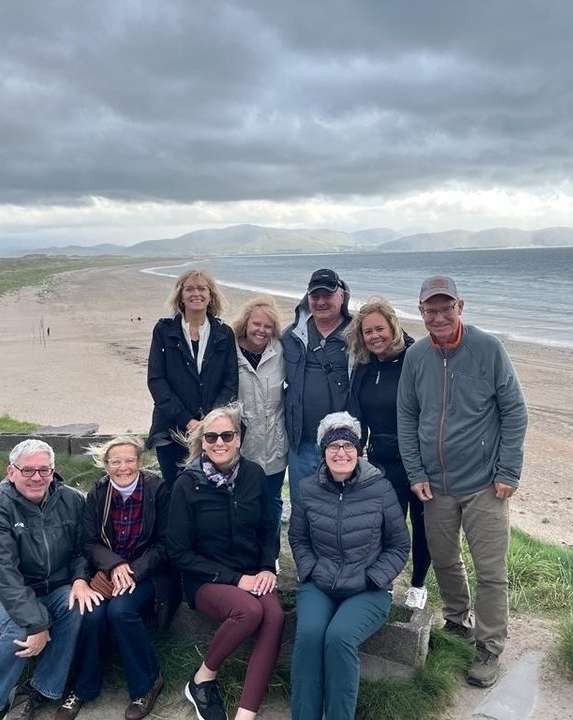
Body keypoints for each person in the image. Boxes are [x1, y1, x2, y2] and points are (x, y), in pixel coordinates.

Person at [397, 275, 529, 688]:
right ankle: (457, 621)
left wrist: (508, 471)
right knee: (445, 559)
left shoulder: (488, 349)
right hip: (434, 486)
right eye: (430, 309)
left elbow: (514, 412)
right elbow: (407, 416)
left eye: (446, 307)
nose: (438, 316)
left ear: (461, 307)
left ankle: (489, 646)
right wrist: (416, 472)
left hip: (485, 484)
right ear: (420, 313)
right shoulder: (416, 356)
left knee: (491, 571)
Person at [0, 440, 100, 720]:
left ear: (53, 470)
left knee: (77, 606)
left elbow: (82, 550)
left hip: (55, 586)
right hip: (2, 593)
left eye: (44, 470)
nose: (37, 477)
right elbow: (4, 574)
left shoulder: (71, 500)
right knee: (21, 629)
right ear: (12, 472)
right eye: (28, 470)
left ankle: (37, 689)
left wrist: (81, 579)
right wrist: (37, 622)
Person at [288, 412, 410, 720]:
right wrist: (312, 571)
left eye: (348, 445)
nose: (341, 453)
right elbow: (298, 539)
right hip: (320, 584)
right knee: (310, 635)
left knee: (340, 637)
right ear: (323, 451)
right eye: (333, 446)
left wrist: (373, 578)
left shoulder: (380, 490)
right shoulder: (306, 489)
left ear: (359, 450)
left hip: (367, 588)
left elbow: (399, 545)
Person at [167, 403, 283, 720]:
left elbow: (266, 528)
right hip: (206, 579)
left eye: (227, 435)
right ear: (202, 442)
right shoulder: (187, 485)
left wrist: (265, 567)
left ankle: (246, 714)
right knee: (249, 610)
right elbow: (178, 552)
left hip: (251, 572)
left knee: (274, 616)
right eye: (212, 436)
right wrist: (235, 580)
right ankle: (201, 679)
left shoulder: (254, 475)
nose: (220, 442)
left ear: (239, 438)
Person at [56, 437, 171, 720]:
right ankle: (83, 688)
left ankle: (147, 683)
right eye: (115, 461)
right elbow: (91, 542)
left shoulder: (158, 490)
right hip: (109, 571)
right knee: (91, 615)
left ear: (139, 463)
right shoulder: (97, 493)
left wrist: (131, 570)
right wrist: (114, 565)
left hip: (148, 572)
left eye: (129, 460)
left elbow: (166, 543)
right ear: (106, 466)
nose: (123, 467)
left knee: (121, 610)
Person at [346, 296, 431, 610]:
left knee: (422, 527)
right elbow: (357, 415)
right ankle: (383, 581)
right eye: (367, 332)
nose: (374, 336)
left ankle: (418, 585)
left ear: (392, 325)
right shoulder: (365, 366)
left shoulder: (415, 358)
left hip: (418, 460)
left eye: (379, 328)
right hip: (381, 460)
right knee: (385, 527)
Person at [146, 269, 239, 487]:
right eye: (189, 288)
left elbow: (230, 382)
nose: (195, 293)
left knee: (212, 490)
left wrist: (209, 423)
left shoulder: (224, 333)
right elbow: (156, 380)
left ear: (211, 295)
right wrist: (188, 421)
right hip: (171, 429)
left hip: (213, 434)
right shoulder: (164, 330)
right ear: (180, 295)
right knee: (175, 489)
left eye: (201, 288)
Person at [281, 268, 353, 501]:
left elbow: (394, 343)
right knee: (302, 506)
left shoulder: (358, 333)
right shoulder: (291, 336)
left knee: (339, 508)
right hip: (301, 443)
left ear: (341, 296)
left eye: (327, 295)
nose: (321, 301)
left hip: (342, 443)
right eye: (315, 296)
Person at [231, 295, 289, 539]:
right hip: (241, 447)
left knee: (271, 504)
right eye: (257, 324)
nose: (261, 330)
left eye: (267, 326)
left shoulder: (281, 351)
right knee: (241, 505)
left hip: (274, 445)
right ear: (246, 323)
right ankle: (244, 557)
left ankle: (270, 555)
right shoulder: (228, 351)